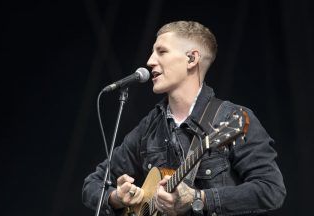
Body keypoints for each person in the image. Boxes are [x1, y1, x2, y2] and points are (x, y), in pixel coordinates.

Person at [82, 20, 286, 216]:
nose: (150, 61)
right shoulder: (149, 127)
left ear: (191, 59)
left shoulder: (231, 118)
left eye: (161, 51)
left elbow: (271, 190)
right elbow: (93, 184)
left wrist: (199, 198)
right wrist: (117, 198)